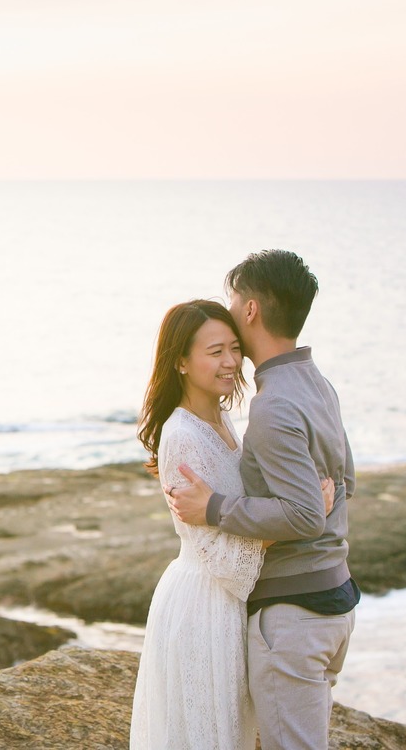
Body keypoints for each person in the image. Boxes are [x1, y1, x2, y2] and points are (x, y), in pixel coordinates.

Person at [168, 250, 358, 750]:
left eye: (234, 299)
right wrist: (315, 508)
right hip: (335, 603)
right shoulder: (319, 385)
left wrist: (213, 508)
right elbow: (346, 482)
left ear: (250, 309)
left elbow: (303, 515)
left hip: (294, 615)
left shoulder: (272, 404)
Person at [129, 299, 334, 750]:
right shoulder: (182, 435)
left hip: (226, 606)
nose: (230, 362)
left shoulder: (221, 419)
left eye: (234, 348)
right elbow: (223, 558)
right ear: (180, 361)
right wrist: (300, 518)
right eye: (215, 351)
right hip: (202, 603)